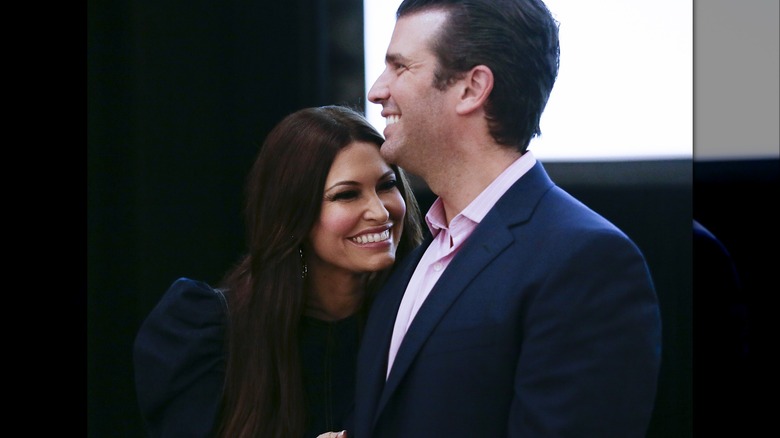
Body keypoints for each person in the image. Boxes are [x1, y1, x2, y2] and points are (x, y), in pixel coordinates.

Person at [349, 1, 663, 436]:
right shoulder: (415, 259)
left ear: (472, 88)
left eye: (400, 68)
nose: (377, 91)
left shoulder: (586, 261)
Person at [133, 105, 424, 438]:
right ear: (291, 214)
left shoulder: (419, 320)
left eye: (386, 186)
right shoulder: (204, 329)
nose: (379, 211)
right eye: (347, 194)